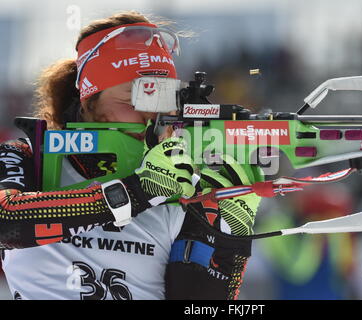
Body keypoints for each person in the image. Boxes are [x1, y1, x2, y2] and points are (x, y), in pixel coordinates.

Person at [0, 11, 262, 300]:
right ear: (89, 102)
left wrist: (231, 235)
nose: (151, 115)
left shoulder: (182, 183)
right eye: (133, 100)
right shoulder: (28, 157)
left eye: (164, 100)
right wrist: (139, 191)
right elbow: (6, 221)